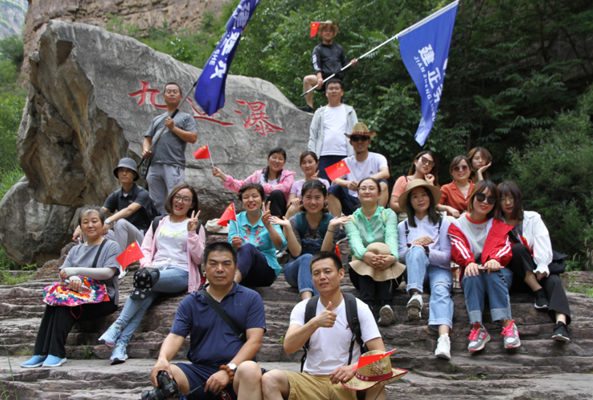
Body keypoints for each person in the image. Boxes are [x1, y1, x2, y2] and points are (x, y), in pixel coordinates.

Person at [99, 184, 206, 364]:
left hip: (180, 273)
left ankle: (117, 325)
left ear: (192, 204)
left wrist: (191, 233)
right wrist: (147, 266)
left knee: (143, 281)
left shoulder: (196, 225)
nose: (180, 201)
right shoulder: (159, 222)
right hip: (154, 273)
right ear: (171, 198)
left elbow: (199, 258)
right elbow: (146, 248)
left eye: (186, 199)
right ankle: (120, 346)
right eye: (177, 197)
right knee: (143, 298)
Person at [260, 251, 388, 400]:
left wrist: (354, 368)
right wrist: (314, 323)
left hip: (347, 381)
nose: (322, 277)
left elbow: (381, 356)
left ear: (341, 274)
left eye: (327, 271)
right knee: (270, 379)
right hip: (311, 381)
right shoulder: (303, 308)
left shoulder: (358, 307)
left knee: (378, 381)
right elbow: (288, 347)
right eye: (316, 273)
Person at [147, 242, 266, 400]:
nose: (220, 269)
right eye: (213, 263)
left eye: (226, 264)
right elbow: (175, 336)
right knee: (165, 375)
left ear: (236, 267)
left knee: (250, 369)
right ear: (204, 268)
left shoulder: (251, 298)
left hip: (237, 371)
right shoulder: (190, 302)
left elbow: (254, 341)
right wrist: (162, 359)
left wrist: (228, 370)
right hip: (200, 373)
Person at [21, 206, 121, 368]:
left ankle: (56, 353)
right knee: (54, 302)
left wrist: (76, 271)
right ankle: (40, 353)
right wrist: (73, 278)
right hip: (77, 295)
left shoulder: (111, 246)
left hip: (103, 298)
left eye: (94, 221)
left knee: (65, 305)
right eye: (85, 222)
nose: (90, 225)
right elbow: (64, 272)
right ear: (80, 227)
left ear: (103, 224)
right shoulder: (75, 250)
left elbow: (108, 272)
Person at [447, 180, 520, 352]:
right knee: (471, 273)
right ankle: (477, 327)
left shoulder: (497, 224)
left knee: (492, 272)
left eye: (491, 199)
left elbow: (505, 247)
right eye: (481, 197)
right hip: (473, 273)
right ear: (472, 197)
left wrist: (495, 259)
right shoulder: (458, 225)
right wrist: (469, 262)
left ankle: (508, 324)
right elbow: (458, 247)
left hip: (498, 273)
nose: (485, 202)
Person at [498, 181, 571, 341]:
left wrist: (542, 266)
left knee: (554, 280)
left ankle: (561, 324)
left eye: (511, 198)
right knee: (517, 249)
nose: (508, 203)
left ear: (517, 198)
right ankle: (538, 291)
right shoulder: (497, 223)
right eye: (502, 199)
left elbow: (543, 243)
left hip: (536, 270)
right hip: (516, 275)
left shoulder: (533, 217)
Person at [397, 180, 453, 360]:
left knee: (441, 290)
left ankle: (443, 339)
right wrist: (416, 245)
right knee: (416, 249)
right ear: (410, 202)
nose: (420, 199)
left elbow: (448, 257)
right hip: (415, 271)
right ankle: (416, 295)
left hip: (438, 269)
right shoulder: (403, 226)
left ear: (430, 198)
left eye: (423, 195)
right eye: (415, 196)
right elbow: (400, 257)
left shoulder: (443, 222)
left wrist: (427, 250)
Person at [271, 180, 346, 300]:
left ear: (325, 199)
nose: (313, 202)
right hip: (295, 271)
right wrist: (289, 228)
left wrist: (331, 228)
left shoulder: (332, 222)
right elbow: (296, 253)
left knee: (320, 266)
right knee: (306, 258)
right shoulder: (295, 221)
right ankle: (308, 302)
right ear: (302, 198)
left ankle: (316, 302)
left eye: (317, 197)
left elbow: (324, 254)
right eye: (308, 197)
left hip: (322, 270)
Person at [345, 178, 401, 326]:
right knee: (364, 256)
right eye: (363, 188)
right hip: (361, 273)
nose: (367, 191)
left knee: (382, 252)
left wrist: (392, 257)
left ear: (379, 194)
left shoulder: (388, 214)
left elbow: (391, 236)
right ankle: (367, 306)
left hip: (388, 269)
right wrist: (365, 255)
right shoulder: (351, 219)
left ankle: (385, 305)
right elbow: (355, 242)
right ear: (358, 194)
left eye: (371, 188)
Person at [72, 158, 153, 260]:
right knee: (89, 227)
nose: (124, 173)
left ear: (134, 174)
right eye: (121, 170)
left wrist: (108, 220)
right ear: (117, 174)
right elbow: (99, 212)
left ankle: (119, 264)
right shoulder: (116, 195)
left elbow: (129, 210)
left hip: (141, 239)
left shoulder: (142, 193)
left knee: (120, 223)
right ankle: (89, 260)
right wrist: (81, 226)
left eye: (128, 171)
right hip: (121, 238)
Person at [142, 82, 198, 215]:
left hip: (173, 164)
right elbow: (147, 138)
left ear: (181, 97)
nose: (172, 94)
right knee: (156, 201)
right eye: (168, 91)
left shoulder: (186, 118)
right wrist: (145, 149)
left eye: (175, 91)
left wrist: (173, 128)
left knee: (176, 198)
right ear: (163, 96)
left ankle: (175, 223)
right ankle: (160, 223)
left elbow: (193, 137)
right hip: (154, 164)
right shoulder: (157, 119)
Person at [228, 183, 287, 287]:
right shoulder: (235, 220)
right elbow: (230, 247)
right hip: (242, 271)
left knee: (248, 247)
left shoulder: (271, 219)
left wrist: (268, 226)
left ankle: (229, 287)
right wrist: (234, 245)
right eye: (246, 197)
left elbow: (280, 245)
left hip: (265, 272)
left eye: (255, 196)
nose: (250, 200)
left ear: (262, 199)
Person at [328, 123, 390, 217]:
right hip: (352, 201)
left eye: (363, 138)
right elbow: (334, 179)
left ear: (369, 141)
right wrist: (347, 183)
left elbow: (385, 173)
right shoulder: (345, 161)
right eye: (356, 139)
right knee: (333, 188)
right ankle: (337, 223)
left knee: (383, 183)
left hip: (372, 199)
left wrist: (365, 182)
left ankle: (378, 218)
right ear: (351, 142)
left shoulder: (378, 157)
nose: (359, 141)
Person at [213, 148, 295, 217]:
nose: (277, 161)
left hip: (280, 214)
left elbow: (285, 188)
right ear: (268, 159)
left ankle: (275, 225)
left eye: (280, 159)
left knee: (276, 193)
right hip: (259, 211)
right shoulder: (258, 175)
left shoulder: (288, 176)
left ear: (284, 162)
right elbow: (242, 186)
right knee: (251, 193)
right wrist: (223, 176)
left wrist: (261, 187)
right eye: (274, 157)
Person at [298, 21, 357, 113]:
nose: (328, 33)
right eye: (325, 30)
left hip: (337, 80)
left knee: (337, 107)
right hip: (323, 79)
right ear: (321, 33)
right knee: (307, 79)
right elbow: (316, 64)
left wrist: (351, 64)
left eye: (330, 31)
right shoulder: (318, 49)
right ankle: (309, 107)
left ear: (333, 33)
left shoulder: (339, 48)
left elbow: (344, 65)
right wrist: (319, 77)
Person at [307, 79, 357, 182]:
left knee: (341, 187)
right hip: (323, 157)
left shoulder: (349, 111)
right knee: (323, 187)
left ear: (342, 92)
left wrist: (355, 155)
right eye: (331, 88)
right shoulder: (319, 112)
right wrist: (312, 159)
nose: (334, 91)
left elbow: (356, 134)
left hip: (344, 156)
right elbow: (313, 136)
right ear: (326, 92)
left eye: (337, 88)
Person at [390, 151, 439, 217]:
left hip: (428, 217)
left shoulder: (431, 182)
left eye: (431, 163)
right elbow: (393, 204)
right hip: (408, 216)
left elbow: (435, 205)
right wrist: (414, 209)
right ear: (416, 161)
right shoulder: (404, 180)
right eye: (424, 160)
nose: (427, 164)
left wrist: (430, 184)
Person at [287, 152, 331, 219]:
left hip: (318, 211)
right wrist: (294, 201)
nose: (307, 165)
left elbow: (328, 201)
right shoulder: (296, 184)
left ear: (317, 163)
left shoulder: (324, 182)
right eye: (304, 163)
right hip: (300, 212)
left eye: (310, 162)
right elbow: (288, 205)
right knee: (293, 208)